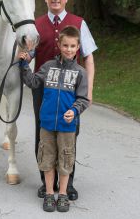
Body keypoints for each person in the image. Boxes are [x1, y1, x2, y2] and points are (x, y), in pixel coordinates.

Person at [32, 0, 98, 201]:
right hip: (44, 90)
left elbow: (88, 58)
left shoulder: (79, 23)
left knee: (69, 135)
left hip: (71, 89)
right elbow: (27, 55)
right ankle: (46, 184)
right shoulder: (35, 24)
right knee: (43, 135)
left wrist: (87, 91)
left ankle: (66, 186)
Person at [18, 26, 89, 212]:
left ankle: (63, 194)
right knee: (47, 159)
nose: (69, 49)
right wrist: (24, 65)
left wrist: (74, 111)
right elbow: (32, 82)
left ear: (78, 47)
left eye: (73, 46)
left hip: (67, 126)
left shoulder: (81, 72)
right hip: (47, 124)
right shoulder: (48, 67)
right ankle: (50, 193)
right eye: (65, 45)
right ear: (59, 45)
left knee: (65, 160)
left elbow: (83, 99)